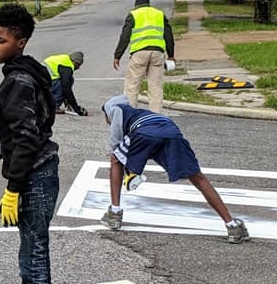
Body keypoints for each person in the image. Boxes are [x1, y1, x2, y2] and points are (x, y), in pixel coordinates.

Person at [0, 3, 60, 284]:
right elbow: (31, 130)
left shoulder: (16, 81)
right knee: (31, 250)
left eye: (1, 40)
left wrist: (13, 187)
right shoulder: (28, 71)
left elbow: (28, 137)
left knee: (34, 253)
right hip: (41, 167)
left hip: (34, 176)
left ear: (21, 41)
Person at [99, 95, 249, 244]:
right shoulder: (141, 114)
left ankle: (114, 213)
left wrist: (123, 160)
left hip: (144, 132)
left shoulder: (116, 111)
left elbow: (115, 145)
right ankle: (232, 225)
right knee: (197, 177)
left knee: (116, 159)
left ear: (108, 112)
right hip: (171, 133)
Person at [113, 0, 175, 113]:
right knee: (155, 87)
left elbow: (124, 36)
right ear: (149, 4)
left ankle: (130, 115)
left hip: (139, 54)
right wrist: (171, 54)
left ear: (136, 6)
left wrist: (117, 56)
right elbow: (168, 35)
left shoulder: (133, 14)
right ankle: (156, 117)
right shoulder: (159, 14)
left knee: (132, 86)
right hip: (157, 53)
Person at [44, 51, 88, 116]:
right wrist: (77, 109)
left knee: (65, 81)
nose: (78, 68)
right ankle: (53, 106)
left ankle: (47, 102)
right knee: (68, 81)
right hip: (43, 84)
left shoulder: (64, 59)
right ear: (74, 62)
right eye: (78, 65)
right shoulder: (66, 66)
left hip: (40, 82)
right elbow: (66, 89)